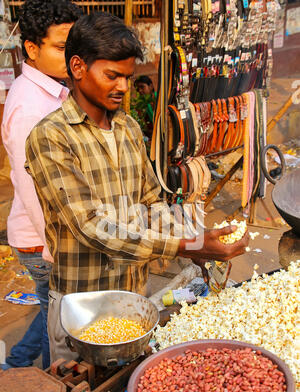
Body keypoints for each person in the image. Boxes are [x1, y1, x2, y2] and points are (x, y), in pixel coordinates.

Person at [25, 12, 249, 363]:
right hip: (83, 310)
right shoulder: (51, 136)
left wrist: (198, 238)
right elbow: (92, 228)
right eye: (112, 75)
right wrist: (187, 245)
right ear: (79, 67)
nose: (124, 88)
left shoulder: (128, 128)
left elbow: (149, 203)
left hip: (133, 300)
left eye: (127, 77)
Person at [1, 0, 81, 370]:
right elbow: (31, 185)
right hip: (42, 239)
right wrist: (56, 246)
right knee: (61, 325)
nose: (73, 57)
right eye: (62, 48)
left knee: (52, 305)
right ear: (32, 49)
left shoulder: (52, 91)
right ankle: (55, 391)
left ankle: (16, 363)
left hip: (48, 234)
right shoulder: (30, 107)